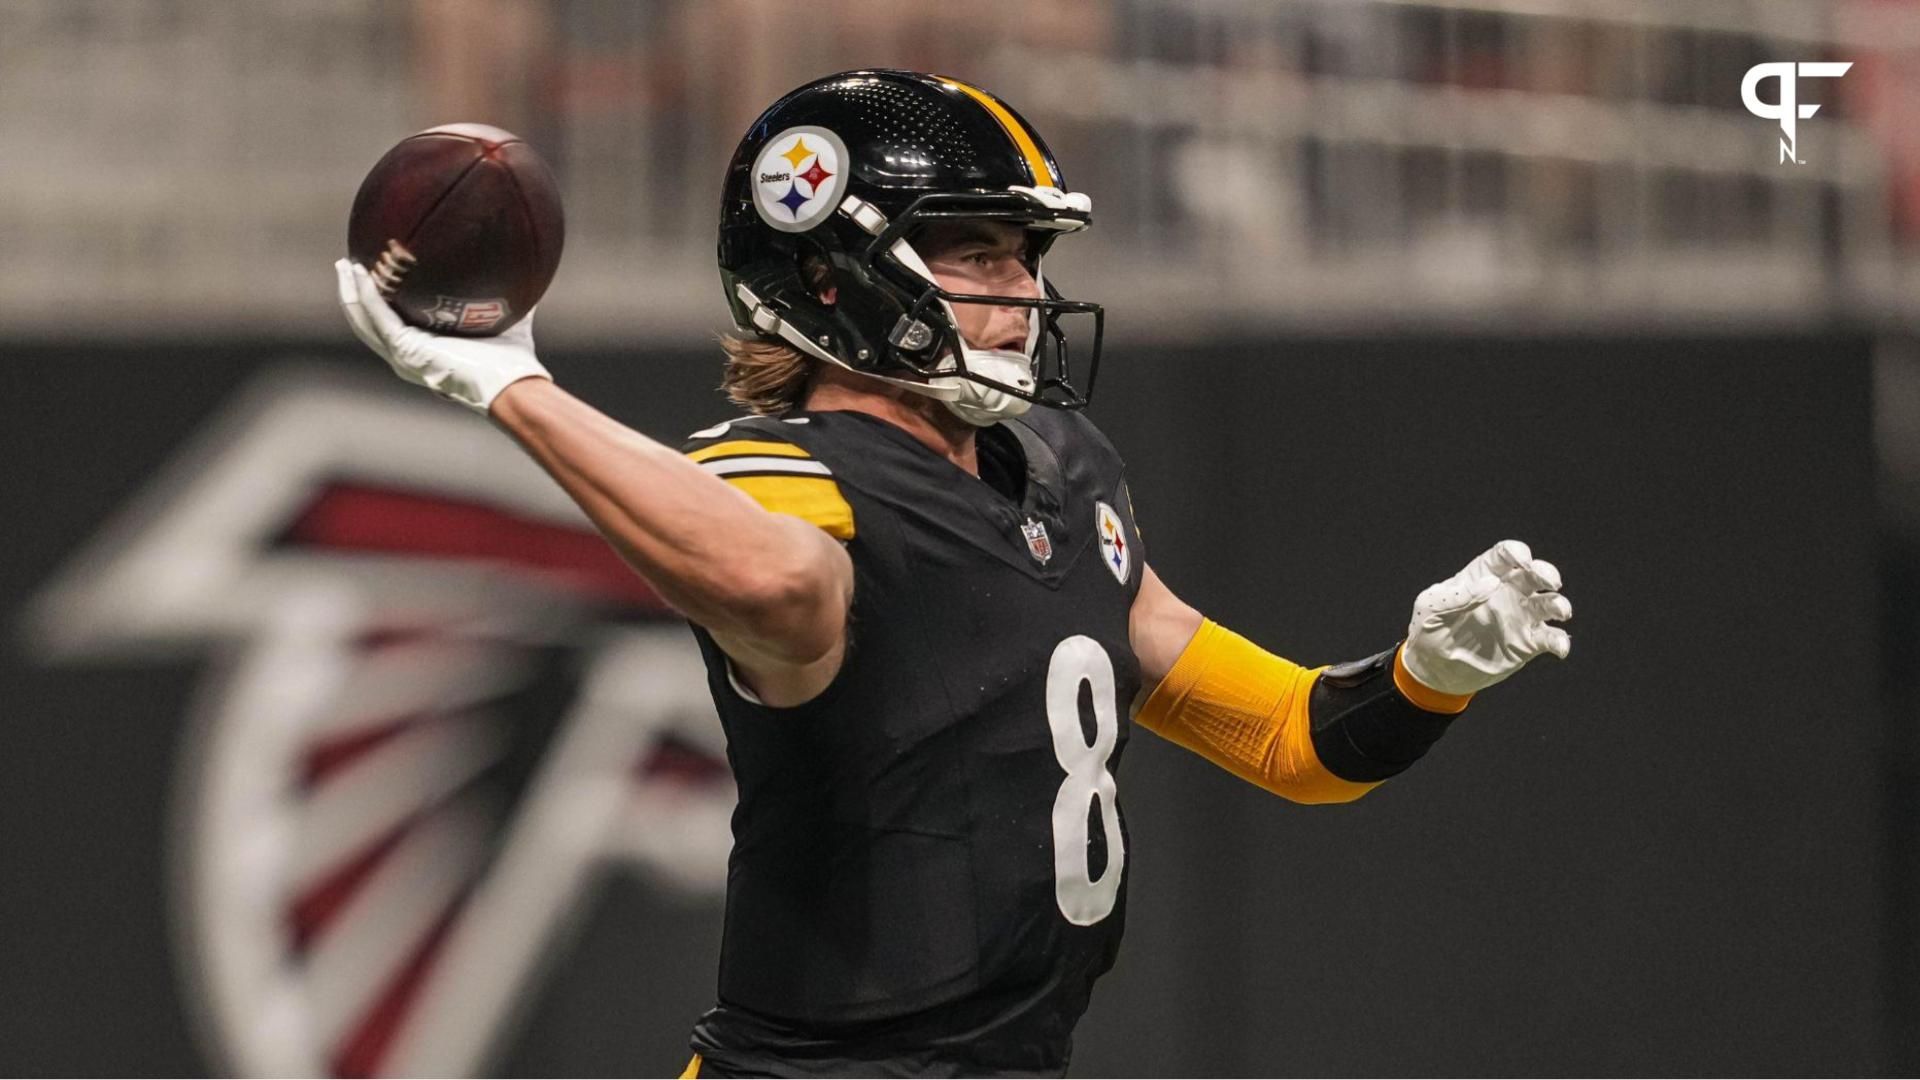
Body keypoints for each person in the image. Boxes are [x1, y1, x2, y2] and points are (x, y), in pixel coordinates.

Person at [333, 68, 1572, 1079]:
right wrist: (510, 388)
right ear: (829, 279)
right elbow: (785, 591)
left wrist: (1421, 679)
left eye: (1025, 256)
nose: (1023, 294)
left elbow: (1295, 746)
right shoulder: (781, 467)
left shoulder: (1062, 467)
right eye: (976, 255)